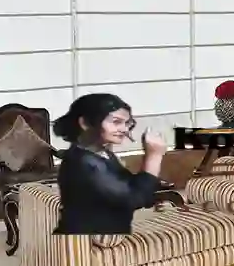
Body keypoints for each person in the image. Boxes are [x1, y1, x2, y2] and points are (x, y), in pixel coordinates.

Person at [52, 93, 168, 235]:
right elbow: (132, 198)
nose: (124, 129)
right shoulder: (83, 162)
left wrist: (153, 194)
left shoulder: (102, 153)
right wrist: (154, 156)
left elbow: (130, 187)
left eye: (126, 123)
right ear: (85, 123)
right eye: (116, 122)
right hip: (88, 242)